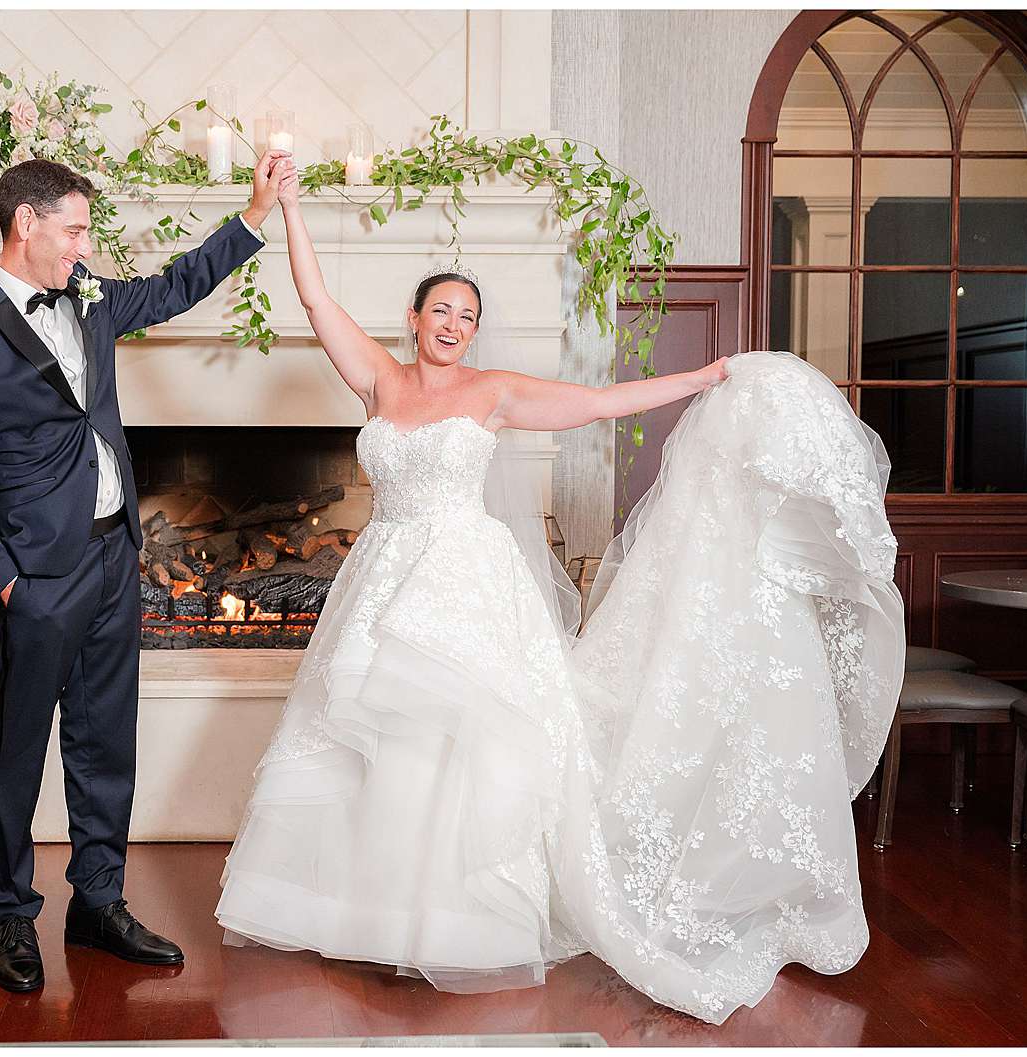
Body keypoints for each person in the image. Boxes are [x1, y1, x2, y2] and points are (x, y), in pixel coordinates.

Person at [214, 156, 905, 1023]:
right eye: (442, 311)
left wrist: (697, 380)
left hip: (463, 580)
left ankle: (459, 919)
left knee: (465, 743)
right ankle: (371, 910)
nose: (455, 325)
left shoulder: (493, 392)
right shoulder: (382, 381)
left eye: (468, 316)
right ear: (414, 318)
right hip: (383, 575)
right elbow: (315, 303)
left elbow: (596, 402)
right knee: (368, 740)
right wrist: (290, 212)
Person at [0, 151, 288, 992]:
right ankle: (13, 914)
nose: (86, 247)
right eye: (74, 229)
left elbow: (175, 284)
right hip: (33, 578)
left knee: (106, 738)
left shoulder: (89, 297)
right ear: (26, 224)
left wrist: (255, 215)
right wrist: (3, 581)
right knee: (19, 750)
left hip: (116, 556)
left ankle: (98, 901)